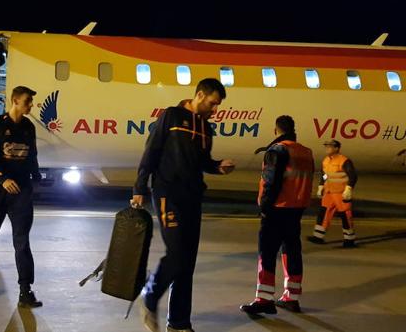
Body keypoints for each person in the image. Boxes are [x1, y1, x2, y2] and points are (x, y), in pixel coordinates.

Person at [131, 78, 235, 332]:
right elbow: (152, 150)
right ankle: (150, 295)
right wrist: (140, 187)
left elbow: (203, 162)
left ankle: (178, 322)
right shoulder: (172, 116)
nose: (215, 110)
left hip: (193, 197)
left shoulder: (206, 128)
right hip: (168, 192)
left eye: (218, 106)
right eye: (213, 103)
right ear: (199, 95)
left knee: (187, 262)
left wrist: (218, 166)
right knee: (176, 255)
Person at [0, 86, 43, 308]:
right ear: (14, 101)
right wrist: (1, 178)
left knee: (22, 241)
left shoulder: (29, 127)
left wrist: (35, 175)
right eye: (27, 101)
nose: (30, 105)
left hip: (21, 192)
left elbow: (32, 154)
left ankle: (25, 290)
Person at [240, 115, 314, 315]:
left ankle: (264, 299)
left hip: (277, 209)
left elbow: (271, 181)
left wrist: (264, 206)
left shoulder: (277, 150)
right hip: (296, 209)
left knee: (267, 253)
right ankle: (292, 297)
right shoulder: (306, 152)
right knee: (291, 251)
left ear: (276, 130)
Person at [308, 140, 358, 248]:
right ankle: (318, 236)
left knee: (345, 215)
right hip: (329, 192)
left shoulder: (344, 161)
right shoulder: (326, 160)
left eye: (330, 146)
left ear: (337, 148)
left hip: (341, 193)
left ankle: (349, 240)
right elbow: (325, 174)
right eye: (326, 146)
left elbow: (352, 175)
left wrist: (349, 188)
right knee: (324, 213)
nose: (327, 148)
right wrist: (321, 185)